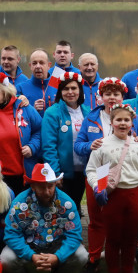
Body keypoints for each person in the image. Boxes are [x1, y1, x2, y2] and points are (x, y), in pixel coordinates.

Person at [85, 104, 138, 273]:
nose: (123, 124)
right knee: (113, 236)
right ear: (112, 122)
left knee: (131, 237)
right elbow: (93, 170)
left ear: (132, 123)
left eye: (126, 120)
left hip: (134, 194)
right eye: (119, 120)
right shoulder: (103, 145)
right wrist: (98, 188)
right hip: (113, 195)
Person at [1, 163, 89, 273]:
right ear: (32, 186)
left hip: (56, 244)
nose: (47, 191)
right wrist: (31, 256)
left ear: (56, 184)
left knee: (82, 256)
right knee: (6, 259)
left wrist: (58, 257)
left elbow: (74, 235)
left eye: (50, 186)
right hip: (29, 244)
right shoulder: (20, 204)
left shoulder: (67, 203)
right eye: (42, 187)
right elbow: (11, 234)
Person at [41, 71, 91, 209]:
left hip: (84, 171)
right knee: (64, 208)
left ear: (80, 90)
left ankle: (75, 228)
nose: (70, 92)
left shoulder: (88, 112)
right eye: (66, 88)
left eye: (74, 88)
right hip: (63, 173)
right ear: (60, 92)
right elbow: (48, 146)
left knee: (76, 205)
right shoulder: (52, 113)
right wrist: (56, 173)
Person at [17, 49, 55, 114]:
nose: (37, 66)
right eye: (34, 63)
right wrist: (33, 109)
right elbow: (16, 116)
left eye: (41, 63)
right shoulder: (20, 88)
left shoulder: (58, 84)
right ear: (30, 66)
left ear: (49, 65)